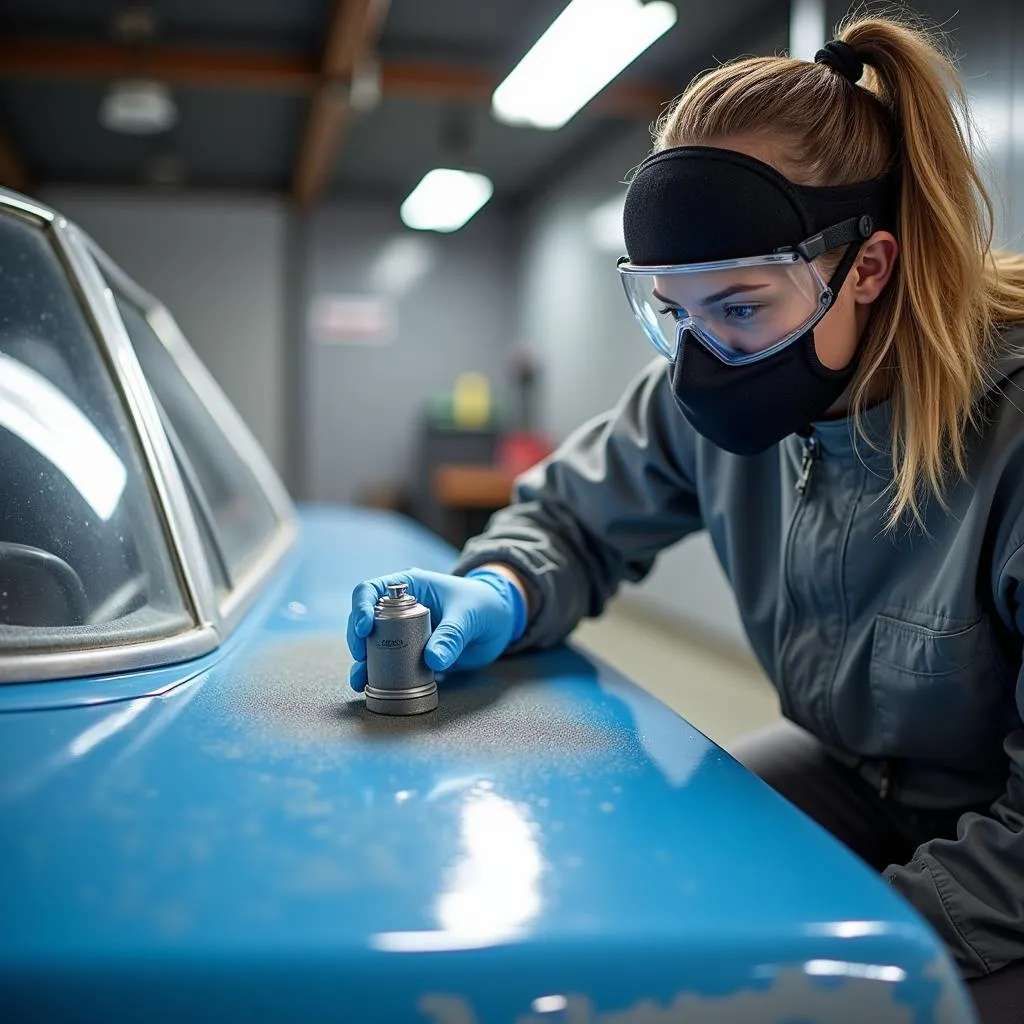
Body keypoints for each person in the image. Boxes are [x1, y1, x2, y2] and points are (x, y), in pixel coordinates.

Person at [347, 14, 1024, 1021]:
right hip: (851, 770)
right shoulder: (705, 386)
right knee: (659, 891)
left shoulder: (1005, 431)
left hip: (1003, 845)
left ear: (866, 268)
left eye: (740, 308)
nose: (701, 357)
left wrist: (850, 952)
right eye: (673, 311)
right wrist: (501, 583)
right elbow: (571, 523)